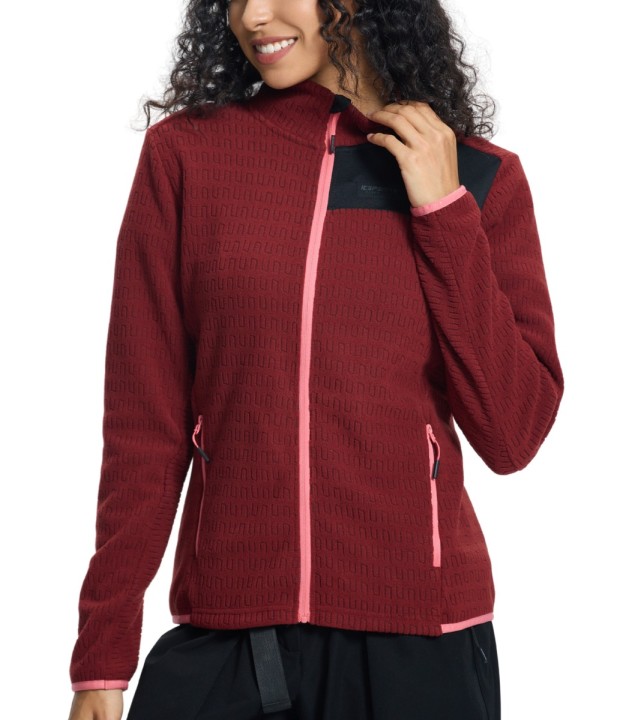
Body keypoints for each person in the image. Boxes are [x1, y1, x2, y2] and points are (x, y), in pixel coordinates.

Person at [67, 0, 564, 718]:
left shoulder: (478, 176)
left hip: (418, 644)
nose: (252, 16)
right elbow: (143, 426)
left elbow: (514, 434)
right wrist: (103, 653)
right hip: (230, 629)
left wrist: (444, 212)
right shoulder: (188, 155)